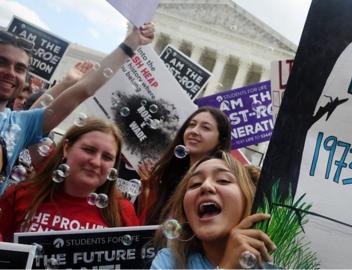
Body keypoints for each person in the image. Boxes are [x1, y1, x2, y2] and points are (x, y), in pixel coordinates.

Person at [0, 23, 155, 195]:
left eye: (20, 68)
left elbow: (84, 90)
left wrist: (131, 43)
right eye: (2, 62)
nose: (11, 73)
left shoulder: (18, 125)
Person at [0, 118, 138, 242]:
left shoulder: (123, 212)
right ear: (67, 148)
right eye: (89, 150)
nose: (96, 162)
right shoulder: (20, 195)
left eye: (107, 157)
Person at [150, 151, 275, 269]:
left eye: (223, 180)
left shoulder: (277, 261)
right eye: (195, 184)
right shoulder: (169, 262)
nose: (205, 186)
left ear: (249, 199)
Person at [139, 106, 232, 225]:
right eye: (192, 125)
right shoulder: (167, 177)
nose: (194, 131)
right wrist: (149, 189)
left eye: (205, 128)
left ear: (220, 140)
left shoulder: (220, 186)